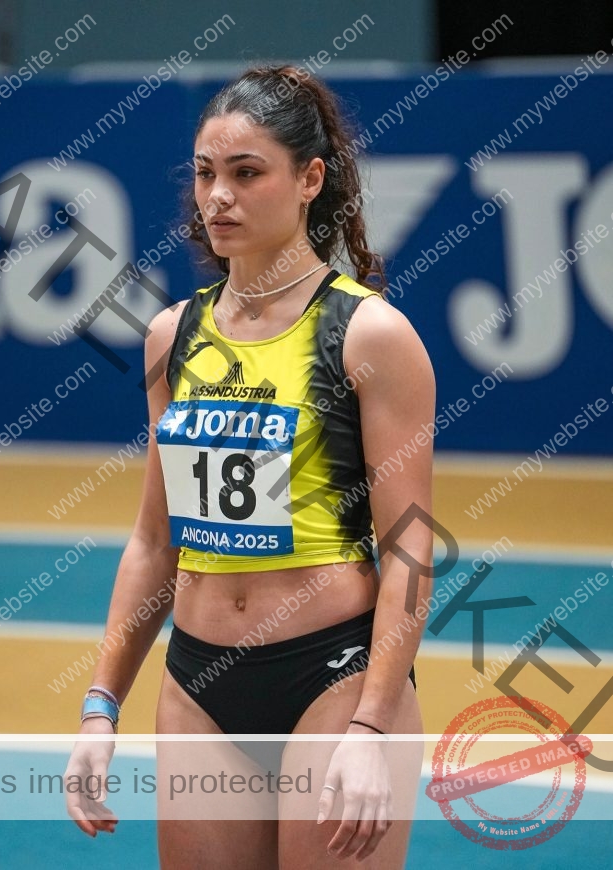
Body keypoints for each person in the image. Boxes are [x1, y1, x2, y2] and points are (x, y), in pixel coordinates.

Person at [64, 64, 435, 869]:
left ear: (309, 179)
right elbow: (154, 542)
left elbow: (410, 547)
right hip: (197, 684)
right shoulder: (173, 336)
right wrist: (101, 707)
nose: (217, 196)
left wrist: (373, 727)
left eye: (245, 172)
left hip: (331, 679)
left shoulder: (370, 335)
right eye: (204, 173)